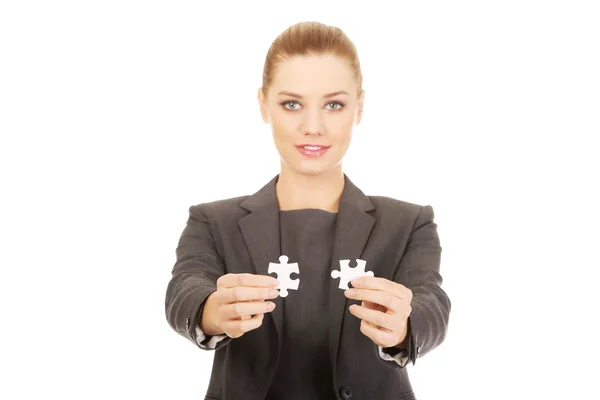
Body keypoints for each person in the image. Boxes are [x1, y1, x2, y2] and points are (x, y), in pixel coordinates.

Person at [165, 21, 451, 400]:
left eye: (334, 104)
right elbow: (185, 288)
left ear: (359, 108)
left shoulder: (408, 223)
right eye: (292, 104)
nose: (313, 126)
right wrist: (210, 310)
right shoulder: (212, 221)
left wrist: (405, 324)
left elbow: (431, 301)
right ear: (264, 105)